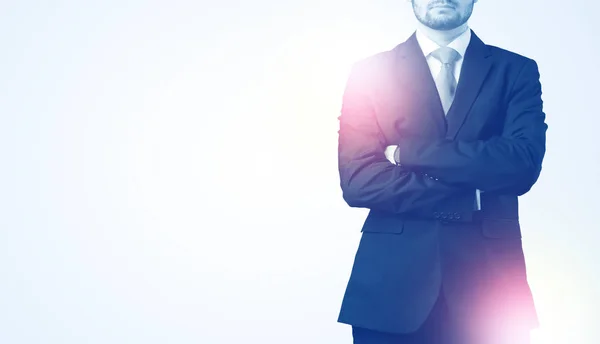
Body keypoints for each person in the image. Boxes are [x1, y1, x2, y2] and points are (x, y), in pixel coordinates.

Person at [336, 0, 547, 343]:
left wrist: (406, 153)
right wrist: (470, 192)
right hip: (390, 291)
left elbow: (521, 165)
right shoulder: (369, 73)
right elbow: (359, 181)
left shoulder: (516, 70)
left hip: (492, 292)